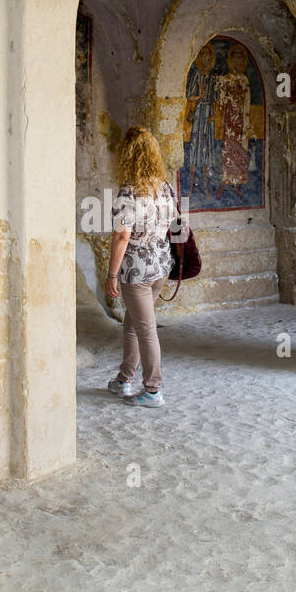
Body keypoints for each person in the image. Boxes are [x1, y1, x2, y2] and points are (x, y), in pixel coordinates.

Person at [106, 126, 178, 408]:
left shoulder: (129, 192)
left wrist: (112, 274)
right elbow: (172, 224)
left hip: (136, 271)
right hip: (160, 265)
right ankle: (124, 379)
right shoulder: (166, 187)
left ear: (127, 156)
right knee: (133, 324)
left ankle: (152, 390)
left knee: (145, 329)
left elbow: (122, 235)